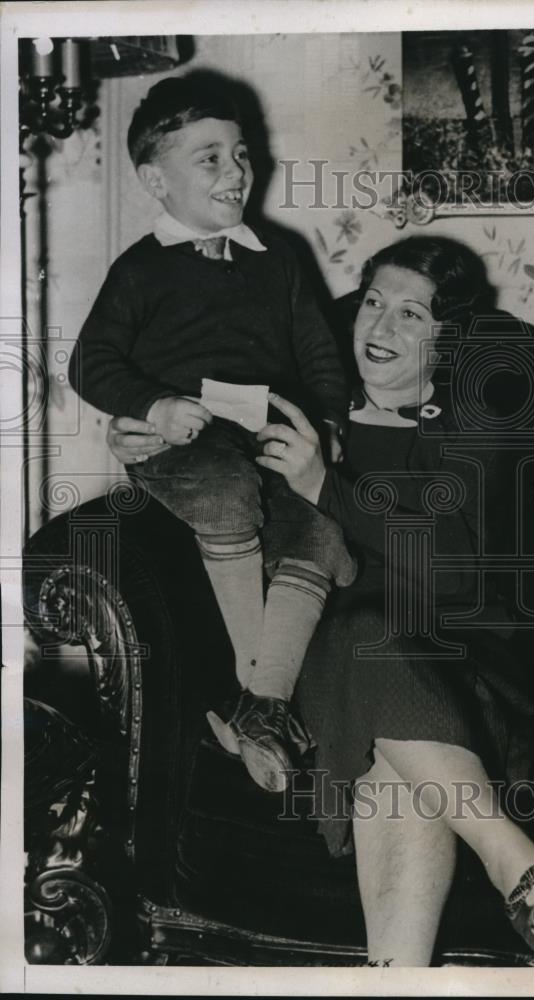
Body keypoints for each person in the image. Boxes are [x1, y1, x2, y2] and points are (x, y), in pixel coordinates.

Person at [107, 235, 534, 966]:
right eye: (373, 303)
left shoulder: (477, 429)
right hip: (337, 687)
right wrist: (139, 423)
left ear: (448, 339)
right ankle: (523, 873)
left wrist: (325, 490)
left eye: (411, 314)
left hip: (461, 679)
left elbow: (458, 574)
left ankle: (466, 914)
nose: (380, 327)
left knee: (366, 652)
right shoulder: (298, 409)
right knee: (359, 645)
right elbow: (192, 424)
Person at [69, 76, 356, 794]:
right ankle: (255, 686)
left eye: (241, 154)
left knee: (319, 532)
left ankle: (263, 708)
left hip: (269, 438)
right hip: (185, 441)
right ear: (153, 180)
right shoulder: (141, 269)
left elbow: (320, 355)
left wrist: (325, 427)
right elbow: (90, 360)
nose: (235, 172)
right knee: (227, 492)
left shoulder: (279, 257)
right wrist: (155, 406)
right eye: (209, 158)